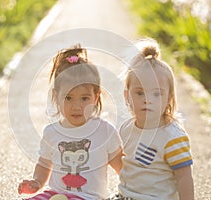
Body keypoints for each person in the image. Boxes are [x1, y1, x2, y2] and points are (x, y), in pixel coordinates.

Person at [17, 44, 123, 200]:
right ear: (56, 95)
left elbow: (123, 168)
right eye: (68, 98)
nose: (76, 106)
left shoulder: (105, 131)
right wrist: (36, 182)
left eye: (84, 98)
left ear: (96, 97)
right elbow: (44, 164)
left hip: (89, 197)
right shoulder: (51, 133)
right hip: (56, 194)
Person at [113, 39, 194, 200]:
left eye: (156, 94)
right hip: (125, 196)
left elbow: (184, 177)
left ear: (169, 98)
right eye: (139, 93)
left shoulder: (172, 137)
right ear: (126, 96)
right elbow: (128, 165)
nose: (147, 99)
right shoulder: (127, 128)